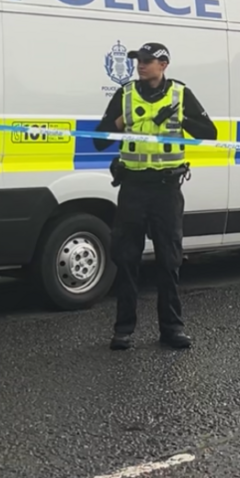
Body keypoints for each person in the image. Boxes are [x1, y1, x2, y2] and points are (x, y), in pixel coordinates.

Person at [93, 42, 216, 351]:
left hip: (166, 189)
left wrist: (180, 119)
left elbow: (209, 132)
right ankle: (123, 330)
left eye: (147, 60)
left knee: (169, 261)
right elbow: (98, 140)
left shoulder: (180, 94)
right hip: (132, 187)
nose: (140, 65)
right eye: (138, 60)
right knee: (126, 259)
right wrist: (123, 123)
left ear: (164, 64)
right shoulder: (126, 94)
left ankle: (172, 329)